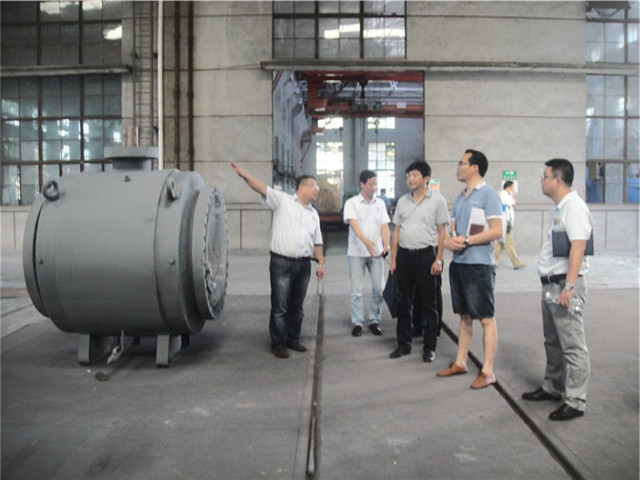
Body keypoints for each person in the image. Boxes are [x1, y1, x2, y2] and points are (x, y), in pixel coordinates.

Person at [230, 162, 325, 359]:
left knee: (297, 307)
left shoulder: (314, 214)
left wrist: (321, 263)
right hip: (281, 263)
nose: (317, 189)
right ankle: (279, 343)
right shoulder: (283, 201)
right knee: (280, 306)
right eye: (314, 185)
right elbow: (261, 187)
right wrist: (244, 175)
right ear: (301, 187)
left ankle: (293, 339)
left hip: (304, 265)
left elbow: (317, 242)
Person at [522, 159, 593, 421]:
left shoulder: (574, 207)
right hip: (552, 284)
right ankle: (553, 386)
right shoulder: (559, 208)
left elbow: (579, 247)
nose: (542, 181)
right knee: (553, 341)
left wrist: (569, 287)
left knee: (572, 345)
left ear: (558, 180)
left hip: (564, 285)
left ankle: (575, 401)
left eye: (545, 176)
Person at [437, 149, 503, 389]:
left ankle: (488, 371)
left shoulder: (488, 195)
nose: (458, 167)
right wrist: (448, 242)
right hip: (459, 264)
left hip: (479, 265)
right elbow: (451, 230)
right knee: (465, 316)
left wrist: (467, 240)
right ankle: (461, 362)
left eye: (461, 163)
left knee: (486, 318)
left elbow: (497, 230)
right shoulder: (460, 198)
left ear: (475, 167)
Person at [389, 161, 449, 362]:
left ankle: (429, 347)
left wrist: (439, 259)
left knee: (429, 303)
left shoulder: (437, 200)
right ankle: (403, 344)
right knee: (403, 302)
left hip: (426, 256)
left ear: (426, 178)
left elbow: (442, 232)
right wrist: (393, 260)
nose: (410, 179)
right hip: (405, 256)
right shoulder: (402, 201)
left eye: (414, 175)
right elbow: (396, 231)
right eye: (408, 175)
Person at [343, 170, 391, 337]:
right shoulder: (352, 203)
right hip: (356, 253)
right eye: (371, 184)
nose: (374, 187)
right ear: (362, 184)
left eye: (375, 184)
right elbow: (354, 225)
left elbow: (384, 226)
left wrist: (386, 245)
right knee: (356, 290)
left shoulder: (380, 204)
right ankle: (357, 323)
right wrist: (367, 243)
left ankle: (374, 320)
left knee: (379, 289)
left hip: (376, 254)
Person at [493, 180, 525, 269]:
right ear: (509, 187)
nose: (514, 190)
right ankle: (516, 263)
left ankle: (493, 260)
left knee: (501, 243)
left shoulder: (504, 195)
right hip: (505, 222)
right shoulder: (504, 194)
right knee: (509, 243)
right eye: (513, 188)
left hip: (506, 222)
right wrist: (513, 196)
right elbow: (513, 204)